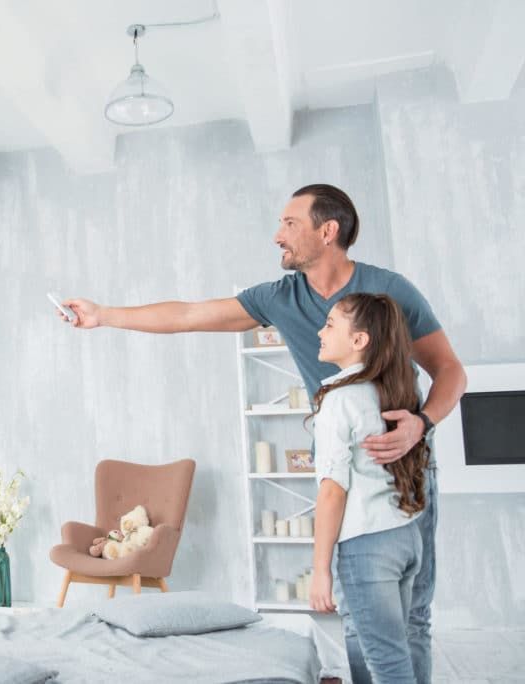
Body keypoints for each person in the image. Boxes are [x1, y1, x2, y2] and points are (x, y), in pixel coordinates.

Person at [59, 184, 466, 683]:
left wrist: (420, 425)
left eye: (290, 223)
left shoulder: (388, 293)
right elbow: (189, 314)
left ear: (328, 230)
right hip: (343, 469)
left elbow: (450, 370)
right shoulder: (279, 297)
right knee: (359, 616)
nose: (278, 235)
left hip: (406, 467)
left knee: (413, 615)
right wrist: (105, 316)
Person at [309, 293, 431, 682]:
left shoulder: (340, 400)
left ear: (359, 340)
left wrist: (320, 570)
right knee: (374, 647)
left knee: (387, 663)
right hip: (404, 535)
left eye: (330, 324)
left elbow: (332, 491)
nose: (320, 331)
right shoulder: (394, 390)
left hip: (366, 544)